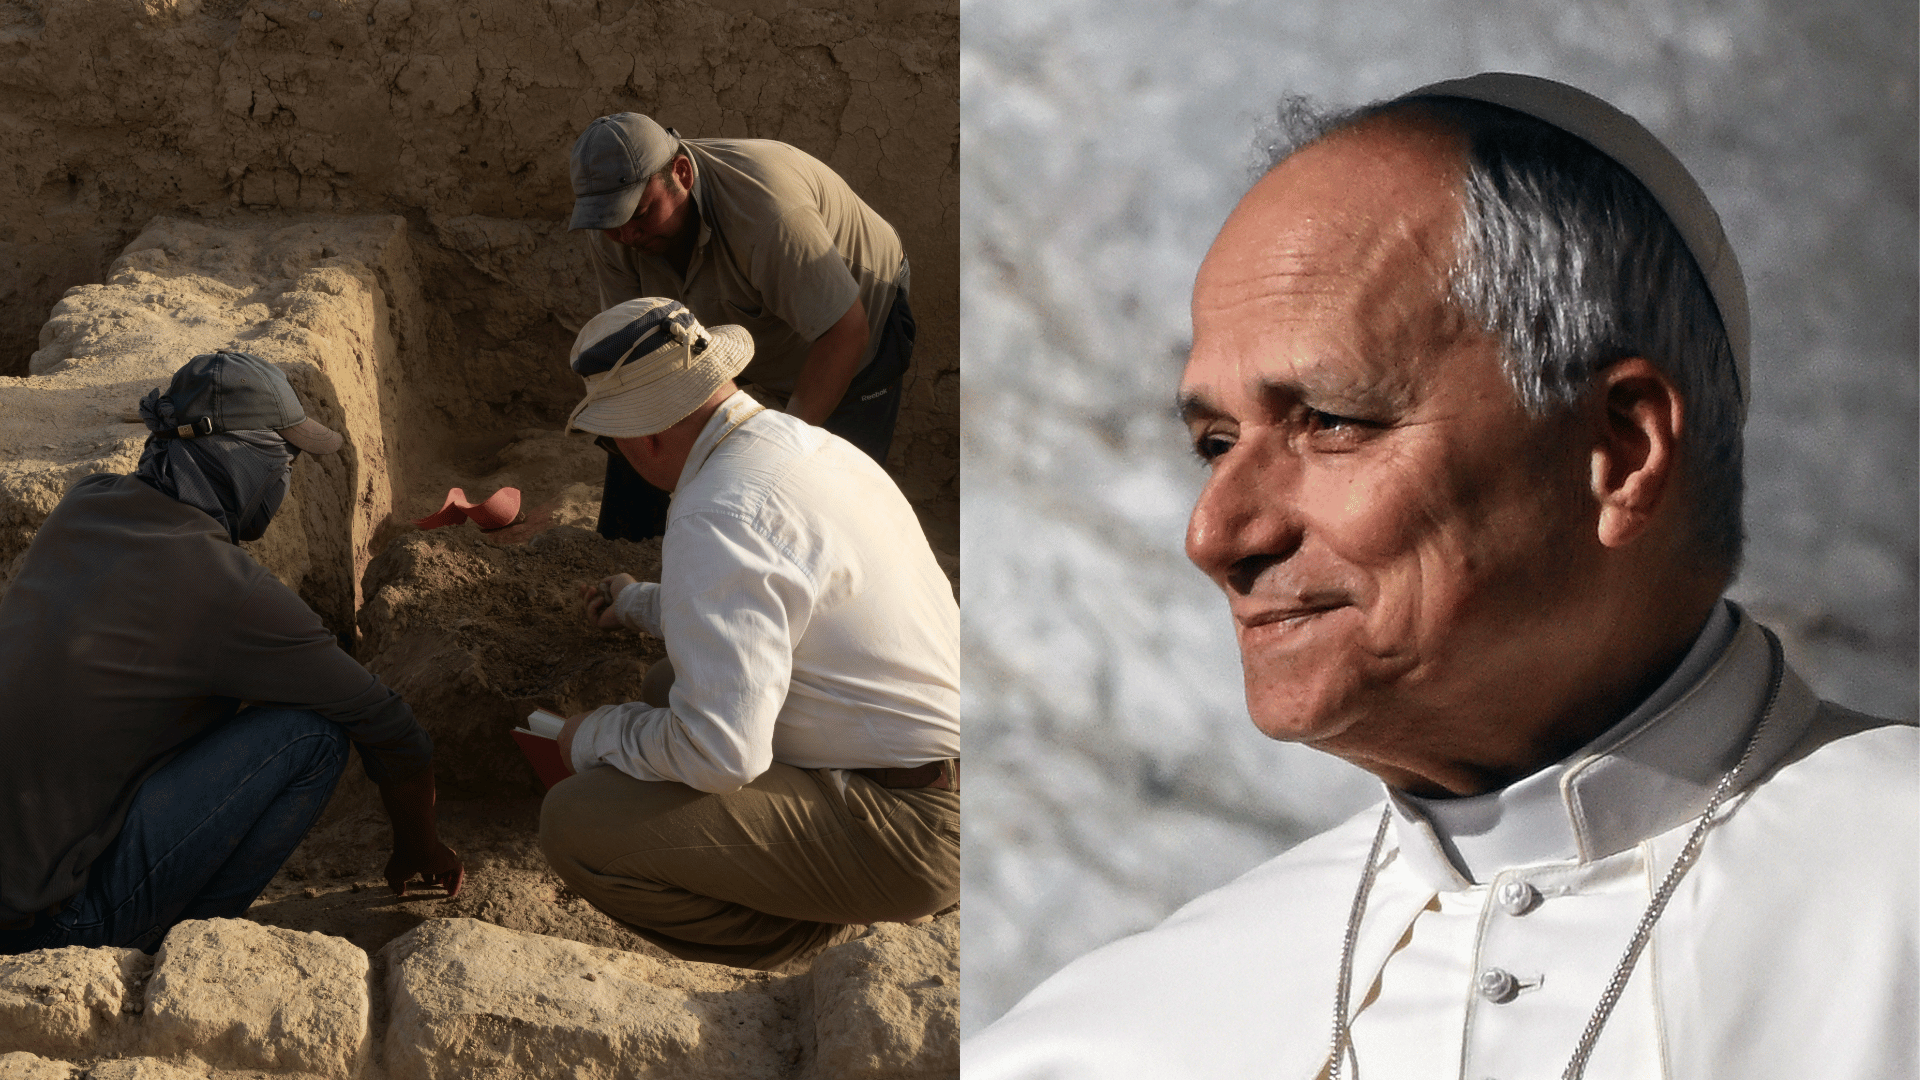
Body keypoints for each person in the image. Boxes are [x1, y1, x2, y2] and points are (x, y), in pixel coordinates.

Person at [963, 73, 1916, 1078]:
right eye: (1215, 443)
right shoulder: (1092, 1047)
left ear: (1620, 451)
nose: (1216, 534)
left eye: (1331, 422)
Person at [536, 297, 959, 971]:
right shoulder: (806, 447)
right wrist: (641, 604)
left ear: (643, 438)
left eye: (608, 440)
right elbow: (776, 598)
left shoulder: (714, 513)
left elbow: (720, 754)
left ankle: (805, 937)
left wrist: (591, 735)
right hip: (944, 770)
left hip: (917, 830)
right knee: (667, 683)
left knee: (575, 821)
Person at [0, 351, 463, 955]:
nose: (287, 479)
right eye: (286, 458)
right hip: (50, 929)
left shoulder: (84, 504)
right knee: (311, 737)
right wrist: (419, 846)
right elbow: (393, 727)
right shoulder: (223, 589)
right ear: (240, 457)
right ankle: (175, 943)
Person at [567, 112, 916, 541]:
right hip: (736, 313)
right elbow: (636, 358)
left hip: (854, 318)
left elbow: (845, 332)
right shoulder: (619, 228)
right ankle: (629, 546)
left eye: (639, 214)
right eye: (610, 222)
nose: (626, 234)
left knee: (828, 491)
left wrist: (779, 452)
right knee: (642, 415)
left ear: (681, 174)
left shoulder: (766, 213)